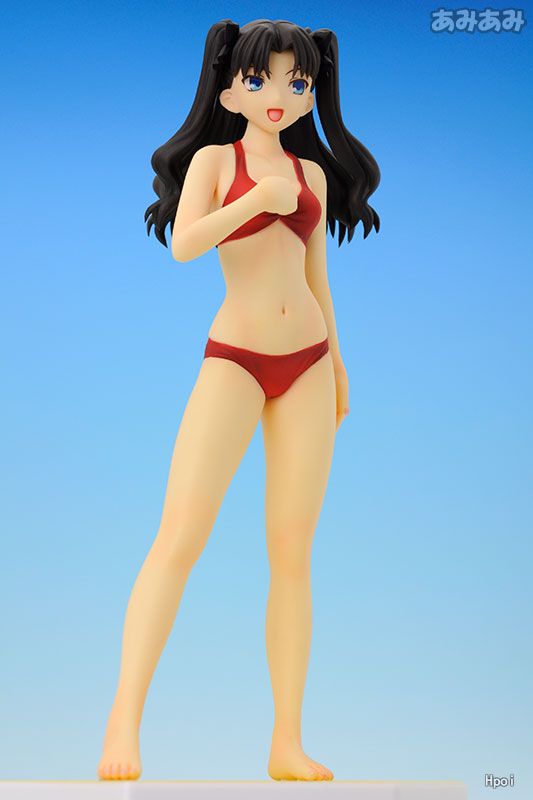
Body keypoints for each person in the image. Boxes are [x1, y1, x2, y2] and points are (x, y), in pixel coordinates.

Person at [98, 17, 380, 782]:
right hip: (235, 358)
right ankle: (122, 720)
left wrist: (339, 365)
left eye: (297, 81)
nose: (279, 93)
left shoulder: (311, 174)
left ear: (312, 93)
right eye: (259, 80)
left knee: (292, 554)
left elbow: (317, 276)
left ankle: (286, 741)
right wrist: (257, 203)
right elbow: (185, 244)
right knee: (179, 537)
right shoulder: (216, 161)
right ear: (228, 90)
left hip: (309, 360)